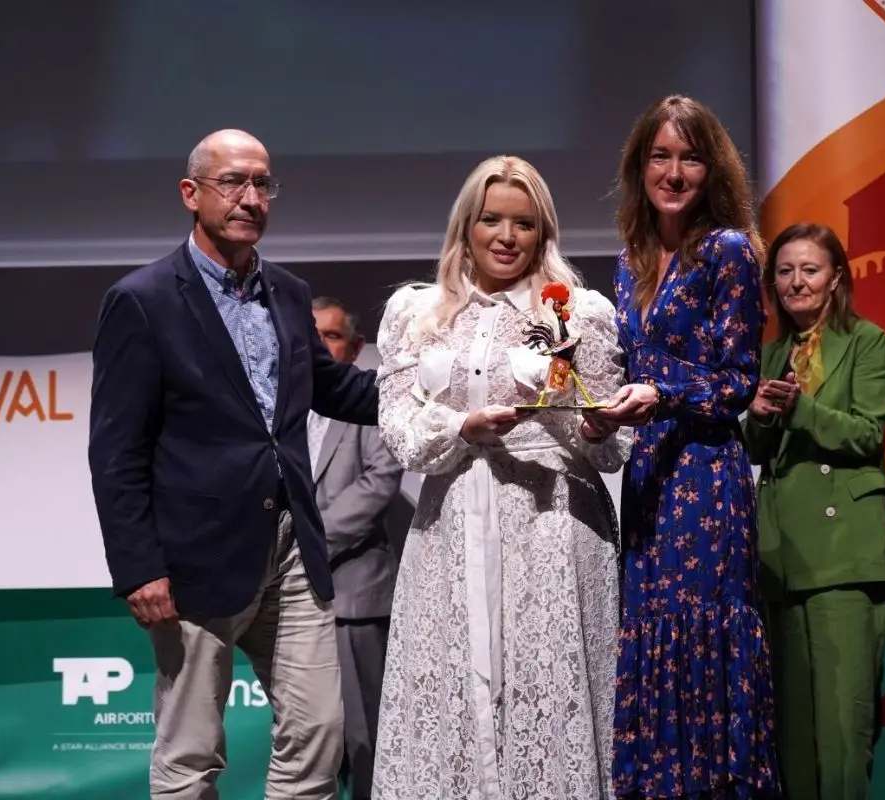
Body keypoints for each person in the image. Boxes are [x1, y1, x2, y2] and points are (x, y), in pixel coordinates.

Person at [87, 128, 379, 800]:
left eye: (262, 183)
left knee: (319, 734)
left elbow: (337, 389)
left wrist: (447, 391)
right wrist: (138, 566)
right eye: (233, 182)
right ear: (191, 194)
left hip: (293, 550)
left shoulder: (289, 292)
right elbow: (116, 449)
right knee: (190, 753)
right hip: (195, 557)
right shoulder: (143, 299)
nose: (250, 197)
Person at [370, 155, 631, 799]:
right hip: (450, 528)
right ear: (467, 225)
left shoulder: (578, 312)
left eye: (524, 223)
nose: (507, 237)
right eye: (492, 220)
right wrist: (463, 427)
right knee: (452, 691)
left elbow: (611, 448)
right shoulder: (418, 313)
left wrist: (596, 425)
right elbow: (399, 430)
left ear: (544, 232)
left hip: (553, 529)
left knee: (547, 689)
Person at [587, 95, 780, 798]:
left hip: (705, 477)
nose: (673, 173)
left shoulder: (727, 251)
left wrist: (661, 394)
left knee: (704, 641)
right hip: (649, 475)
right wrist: (602, 414)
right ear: (639, 168)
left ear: (712, 169)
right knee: (652, 635)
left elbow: (737, 381)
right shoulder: (628, 263)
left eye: (690, 158)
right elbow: (630, 370)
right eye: (660, 157)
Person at [744, 223, 885, 800]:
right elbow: (755, 450)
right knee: (793, 733)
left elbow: (867, 434)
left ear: (836, 278)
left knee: (841, 726)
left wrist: (801, 410)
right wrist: (760, 416)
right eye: (784, 271)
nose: (796, 282)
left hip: (845, 556)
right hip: (782, 558)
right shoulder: (770, 354)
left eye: (809, 269)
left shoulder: (868, 342)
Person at [307, 296, 405, 800]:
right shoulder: (276, 407)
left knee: (364, 737)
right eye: (311, 335)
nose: (319, 345)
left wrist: (304, 544)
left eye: (331, 335)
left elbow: (379, 481)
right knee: (304, 736)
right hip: (289, 599)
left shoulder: (372, 401)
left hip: (353, 596)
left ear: (355, 346)